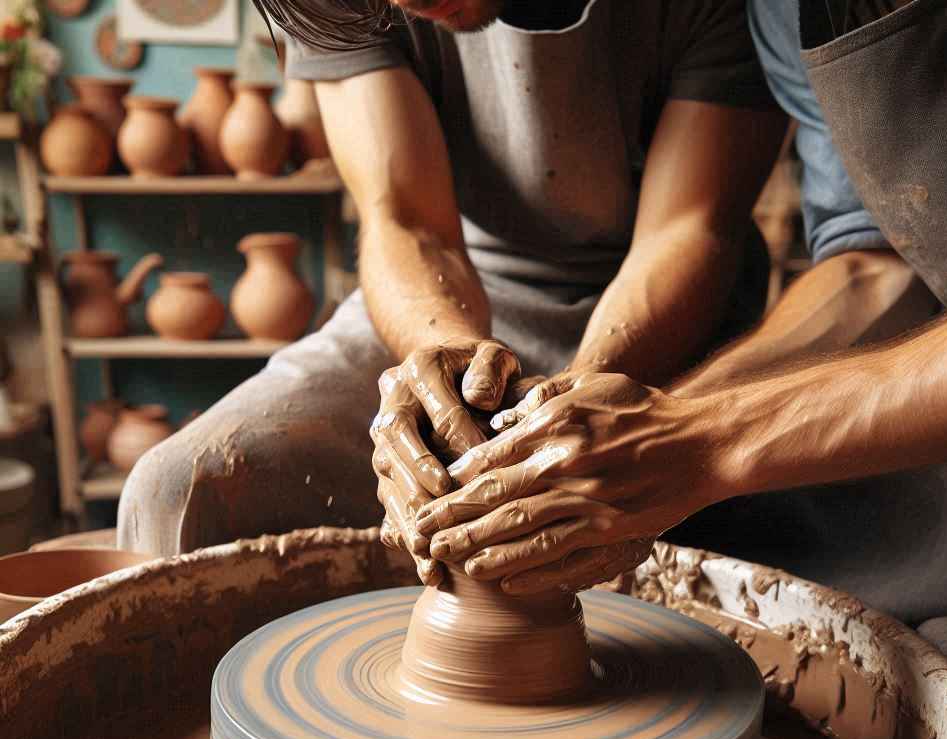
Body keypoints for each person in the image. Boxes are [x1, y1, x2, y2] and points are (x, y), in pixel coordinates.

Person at [410, 2, 947, 739]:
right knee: (701, 549)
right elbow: (868, 258)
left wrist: (712, 441)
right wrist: (648, 429)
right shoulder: (778, 7)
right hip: (945, 387)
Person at [115, 0, 785, 561]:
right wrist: (445, 365)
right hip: (438, 291)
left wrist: (560, 416)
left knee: (793, 546)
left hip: (674, 309)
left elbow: (689, 229)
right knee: (178, 490)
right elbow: (406, 220)